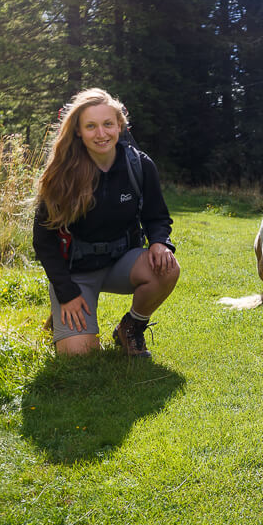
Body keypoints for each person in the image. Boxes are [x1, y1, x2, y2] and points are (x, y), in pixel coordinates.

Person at [32, 88, 180, 357]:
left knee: (168, 268)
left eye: (108, 124)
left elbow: (156, 216)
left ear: (119, 125)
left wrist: (159, 243)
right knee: (80, 355)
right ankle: (61, 316)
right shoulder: (60, 173)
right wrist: (66, 291)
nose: (101, 134)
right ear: (78, 131)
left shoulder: (139, 165)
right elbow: (43, 241)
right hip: (76, 271)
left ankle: (131, 328)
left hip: (122, 262)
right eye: (91, 126)